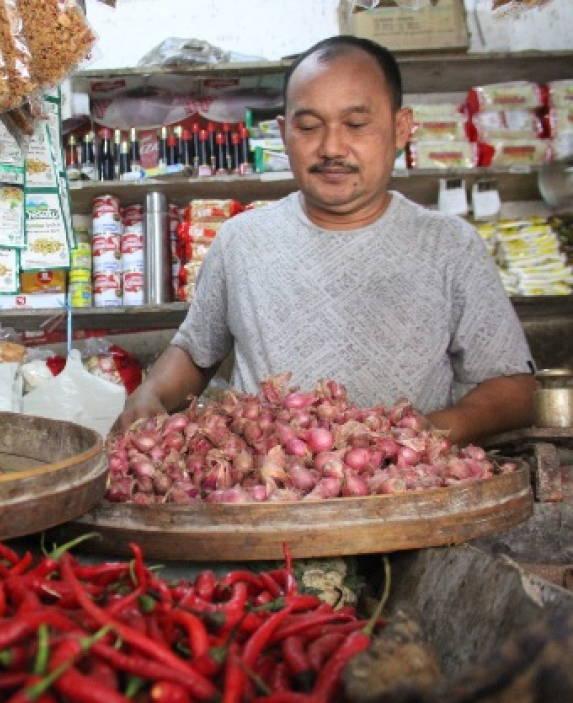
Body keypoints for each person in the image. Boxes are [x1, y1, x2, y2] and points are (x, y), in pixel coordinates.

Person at [114, 35, 536, 446]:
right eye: (310, 126)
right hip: (265, 497)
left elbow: (514, 388)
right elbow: (194, 352)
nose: (332, 146)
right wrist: (151, 394)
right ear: (284, 133)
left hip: (408, 496)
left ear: (401, 128)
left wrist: (428, 433)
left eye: (356, 124)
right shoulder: (243, 240)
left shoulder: (449, 245)